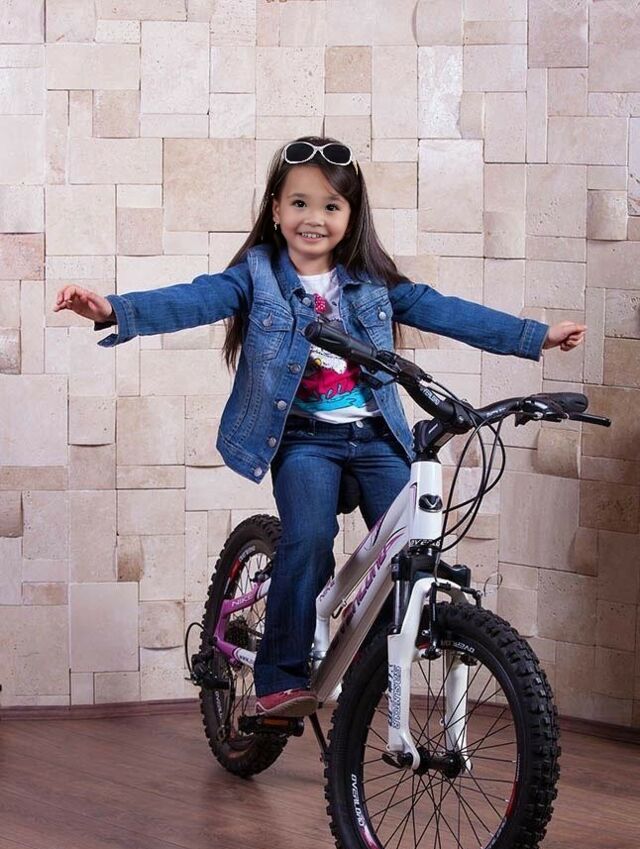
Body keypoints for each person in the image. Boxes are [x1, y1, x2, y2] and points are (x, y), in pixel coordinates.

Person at [54, 135, 586, 718]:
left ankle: (379, 654)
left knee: (413, 545)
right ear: (276, 209)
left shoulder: (372, 282)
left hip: (376, 437)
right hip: (305, 441)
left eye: (331, 206)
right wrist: (113, 309)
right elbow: (193, 299)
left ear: (351, 216)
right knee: (308, 540)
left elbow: (446, 311)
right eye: (300, 203)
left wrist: (535, 336)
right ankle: (278, 678)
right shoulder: (256, 277)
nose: (314, 218)